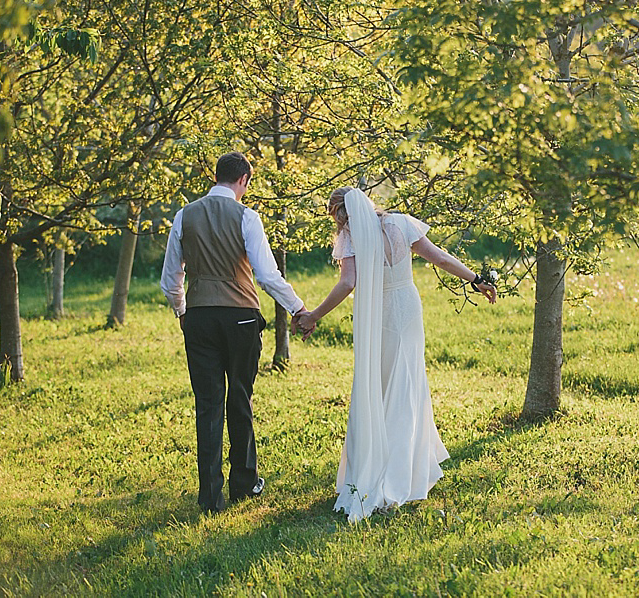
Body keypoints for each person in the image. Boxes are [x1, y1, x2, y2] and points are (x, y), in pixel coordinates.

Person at [294, 187, 496, 522]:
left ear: (339, 214)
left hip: (378, 313)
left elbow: (348, 284)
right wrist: (476, 279)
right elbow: (441, 258)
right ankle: (406, 466)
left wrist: (314, 315)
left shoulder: (351, 236)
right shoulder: (402, 224)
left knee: (380, 382)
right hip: (406, 305)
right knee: (407, 381)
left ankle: (380, 467)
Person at [160, 152, 313, 514]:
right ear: (243, 179)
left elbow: (171, 279)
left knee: (208, 404)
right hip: (241, 318)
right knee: (240, 398)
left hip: (199, 317)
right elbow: (266, 275)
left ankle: (210, 496)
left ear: (216, 176)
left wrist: (183, 311)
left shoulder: (184, 215)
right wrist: (298, 308)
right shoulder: (247, 217)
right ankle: (244, 485)